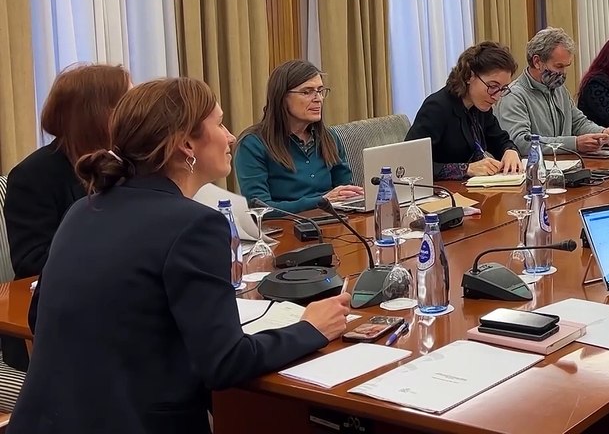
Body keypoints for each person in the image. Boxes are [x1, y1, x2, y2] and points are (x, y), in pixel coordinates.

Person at [8, 78, 351, 434]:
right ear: (186, 144)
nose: (231, 136)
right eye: (219, 124)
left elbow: (40, 318)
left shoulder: (83, 210)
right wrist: (310, 328)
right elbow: (224, 363)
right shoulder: (194, 225)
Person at [3, 64, 131, 371]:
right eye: (127, 104)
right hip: (52, 330)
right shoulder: (33, 176)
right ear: (101, 114)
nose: (136, 113)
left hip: (119, 308)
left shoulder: (123, 164)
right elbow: (32, 262)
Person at [233, 60, 362, 213]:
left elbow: (345, 190)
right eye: (307, 92)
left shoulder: (329, 137)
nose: (318, 99)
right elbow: (260, 208)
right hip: (286, 229)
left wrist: (357, 195)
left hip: (335, 223)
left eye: (320, 91)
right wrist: (320, 201)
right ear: (282, 97)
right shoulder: (252, 144)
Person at [404, 42, 523, 180]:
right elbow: (411, 165)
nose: (496, 96)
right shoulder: (436, 108)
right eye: (492, 86)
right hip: (440, 194)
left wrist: (510, 151)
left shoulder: (481, 106)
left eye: (503, 89)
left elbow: (500, 140)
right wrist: (467, 169)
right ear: (469, 76)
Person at [495, 28, 609, 156]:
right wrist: (574, 144)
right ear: (537, 62)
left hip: (566, 166)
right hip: (534, 171)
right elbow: (520, 142)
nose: (563, 72)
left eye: (566, 66)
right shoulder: (514, 95)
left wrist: (602, 134)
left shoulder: (559, 89)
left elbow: (578, 122)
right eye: (559, 66)